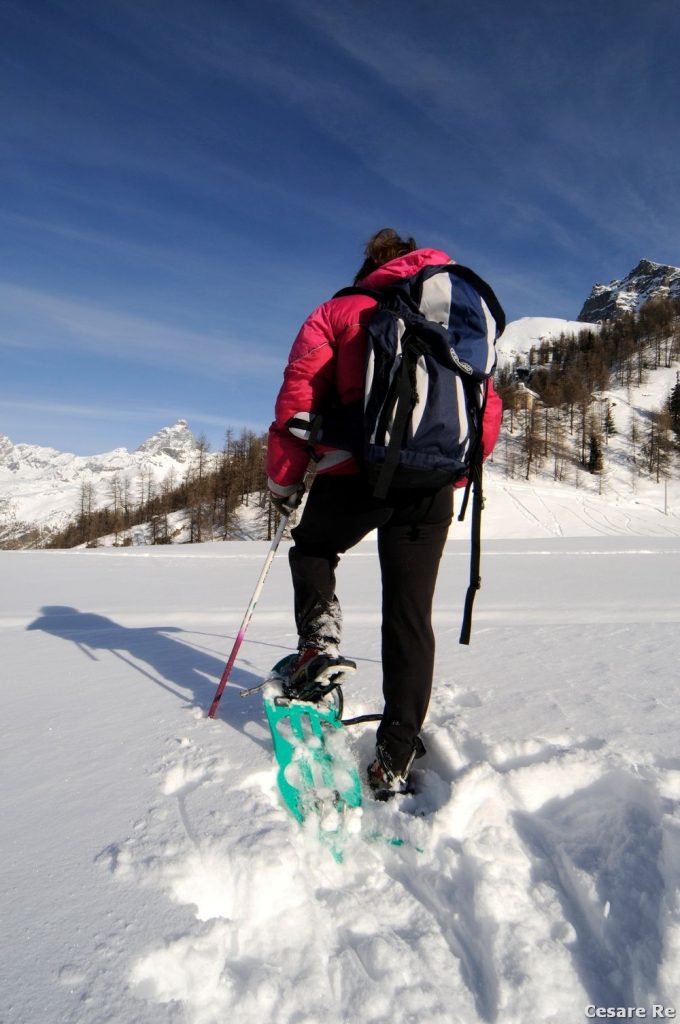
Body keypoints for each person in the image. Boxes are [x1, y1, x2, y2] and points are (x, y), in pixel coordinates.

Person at [266, 229, 502, 799]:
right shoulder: (459, 317)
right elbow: (486, 407)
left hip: (356, 476)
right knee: (409, 615)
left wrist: (283, 482)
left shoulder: (339, 312)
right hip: (432, 486)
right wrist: (452, 473)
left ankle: (318, 646)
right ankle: (395, 753)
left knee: (314, 548)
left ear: (371, 265)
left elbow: (298, 401)